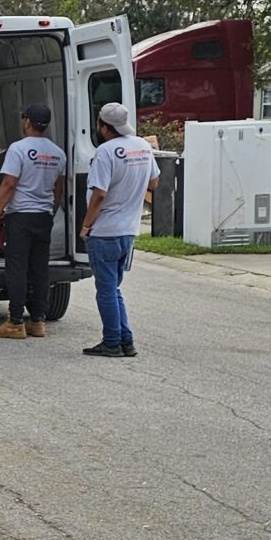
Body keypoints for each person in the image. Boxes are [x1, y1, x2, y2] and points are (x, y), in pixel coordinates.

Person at [81, 100, 157, 359]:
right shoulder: (143, 146)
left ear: (103, 126)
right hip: (128, 231)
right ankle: (126, 340)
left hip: (104, 231)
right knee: (114, 288)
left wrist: (86, 225)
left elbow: (99, 195)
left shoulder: (106, 152)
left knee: (105, 290)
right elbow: (154, 182)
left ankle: (111, 341)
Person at [0, 101, 66, 338]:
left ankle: (16, 321)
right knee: (40, 268)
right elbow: (57, 190)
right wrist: (50, 210)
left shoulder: (18, 149)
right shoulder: (57, 153)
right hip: (43, 216)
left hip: (20, 215)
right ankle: (38, 320)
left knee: (17, 269)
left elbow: (9, 184)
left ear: (27, 122)